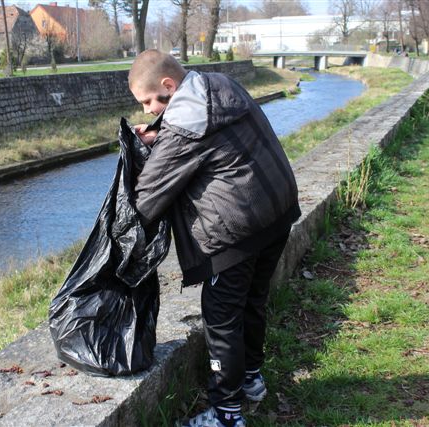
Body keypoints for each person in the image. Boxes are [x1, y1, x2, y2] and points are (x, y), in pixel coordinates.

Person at [128, 49, 300, 427]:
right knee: (253, 301)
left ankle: (226, 414)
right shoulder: (219, 85)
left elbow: (147, 197)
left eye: (148, 101)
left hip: (235, 233)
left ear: (168, 84)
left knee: (222, 320)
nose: (147, 111)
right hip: (277, 213)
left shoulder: (182, 128)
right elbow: (206, 135)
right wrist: (159, 135)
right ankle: (251, 379)